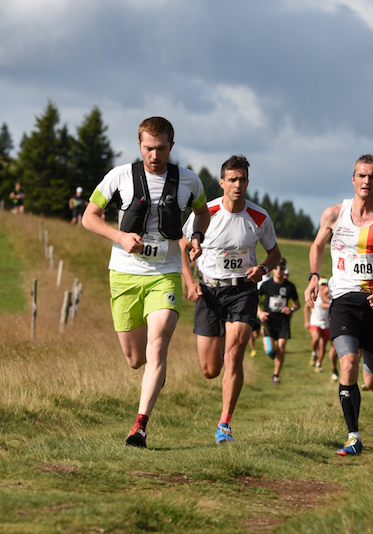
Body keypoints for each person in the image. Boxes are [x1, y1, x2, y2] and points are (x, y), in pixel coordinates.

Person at [82, 116, 210, 448]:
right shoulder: (119, 177)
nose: (155, 155)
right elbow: (89, 217)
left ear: (171, 145)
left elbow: (203, 212)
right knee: (135, 358)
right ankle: (145, 372)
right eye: (149, 148)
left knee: (158, 345)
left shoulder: (189, 181)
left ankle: (139, 425)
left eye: (162, 148)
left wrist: (196, 235)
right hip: (124, 274)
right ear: (139, 145)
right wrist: (120, 236)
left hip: (164, 274)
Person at [305, 154, 373, 456]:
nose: (367, 181)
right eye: (362, 176)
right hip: (343, 301)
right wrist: (315, 276)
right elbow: (317, 245)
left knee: (372, 381)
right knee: (348, 363)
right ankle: (353, 436)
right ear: (353, 179)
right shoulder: (333, 214)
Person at [181, 154, 281, 443]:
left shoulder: (259, 217)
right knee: (210, 370)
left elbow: (274, 253)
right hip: (209, 290)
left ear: (248, 182)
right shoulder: (206, 212)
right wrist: (189, 280)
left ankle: (225, 424)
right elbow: (183, 246)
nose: (238, 185)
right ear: (222, 182)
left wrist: (263, 267)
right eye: (232, 179)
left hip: (243, 290)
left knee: (234, 354)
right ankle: (219, 363)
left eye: (243, 180)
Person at [258, 257, 301, 384]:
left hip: (283, 321)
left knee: (281, 349)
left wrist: (291, 309)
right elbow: (254, 299)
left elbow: (297, 304)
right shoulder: (266, 284)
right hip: (268, 320)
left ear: (284, 269)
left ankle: (276, 375)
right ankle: (271, 352)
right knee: (271, 351)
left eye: (281, 268)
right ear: (273, 270)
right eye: (276, 268)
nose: (278, 271)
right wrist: (260, 312)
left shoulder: (289, 286)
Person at [303, 277, 339, 380]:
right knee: (316, 337)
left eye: (325, 284)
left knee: (323, 346)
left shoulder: (331, 296)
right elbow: (307, 307)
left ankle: (318, 363)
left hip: (326, 324)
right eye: (321, 284)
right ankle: (314, 352)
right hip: (315, 322)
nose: (323, 286)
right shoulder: (316, 295)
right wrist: (306, 320)